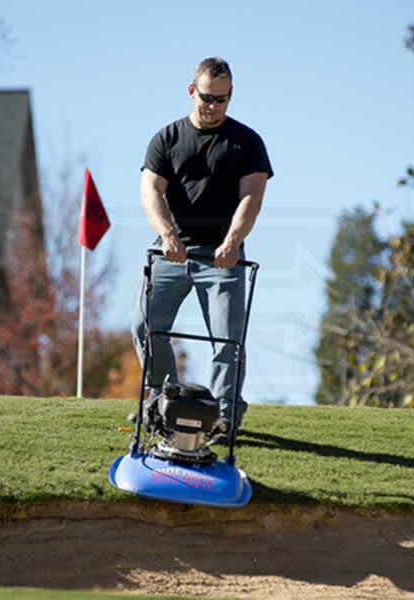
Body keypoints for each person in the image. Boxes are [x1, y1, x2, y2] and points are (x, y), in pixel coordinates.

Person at [131, 56, 273, 435]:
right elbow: (150, 191)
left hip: (223, 258)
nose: (213, 107)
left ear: (231, 97)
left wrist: (231, 243)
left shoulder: (247, 143)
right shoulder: (166, 139)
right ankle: (163, 402)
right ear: (192, 91)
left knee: (228, 341)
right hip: (172, 252)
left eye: (222, 100)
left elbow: (252, 198)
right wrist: (167, 236)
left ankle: (224, 418)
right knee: (145, 326)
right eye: (207, 98)